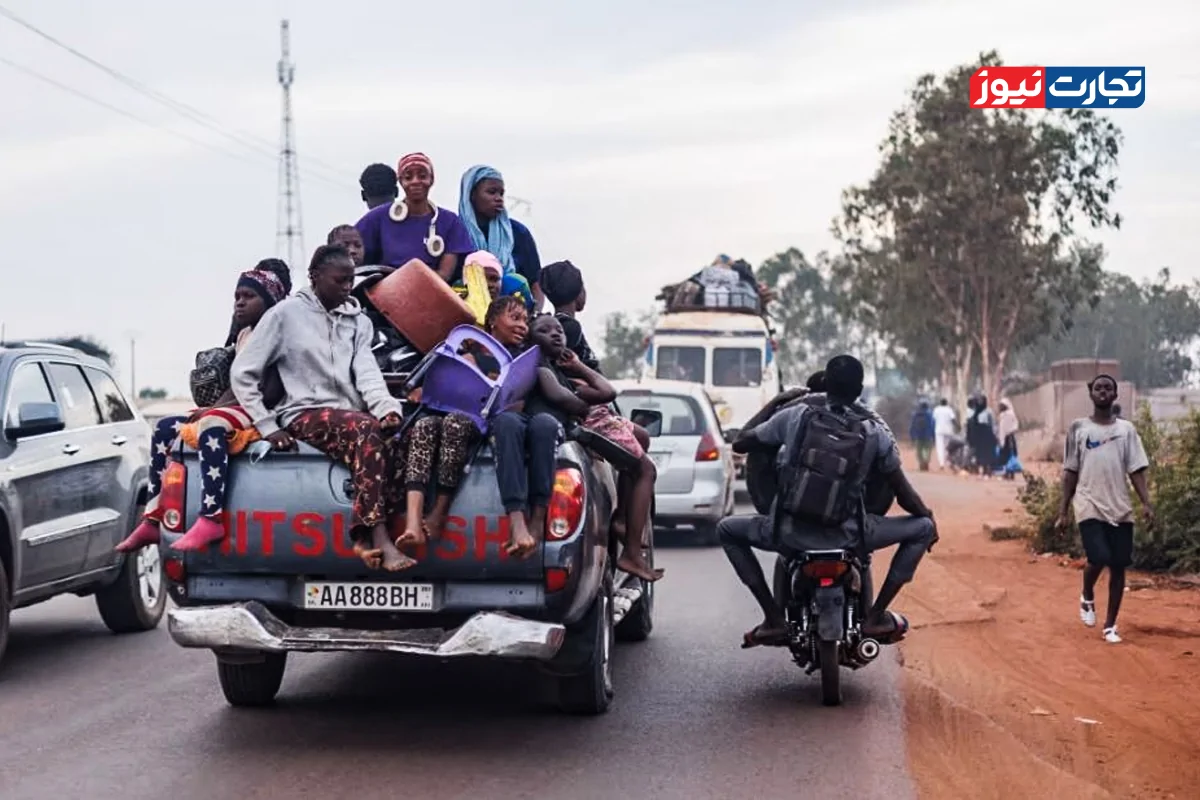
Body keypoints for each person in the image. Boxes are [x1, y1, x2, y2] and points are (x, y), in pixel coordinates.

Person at [721, 355, 937, 647]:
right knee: (921, 528)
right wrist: (928, 517)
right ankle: (875, 615)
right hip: (851, 536)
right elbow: (903, 494)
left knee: (727, 530)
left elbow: (742, 443)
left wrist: (776, 402)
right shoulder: (875, 431)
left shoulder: (793, 416)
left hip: (787, 533)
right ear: (859, 389)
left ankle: (773, 618)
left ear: (826, 385)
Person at [231, 244, 413, 572]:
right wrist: (267, 425)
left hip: (350, 414)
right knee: (365, 430)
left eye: (349, 281)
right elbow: (243, 372)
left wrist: (387, 408)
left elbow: (367, 373)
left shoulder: (358, 322)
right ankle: (379, 539)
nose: (347, 287)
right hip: (303, 412)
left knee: (399, 435)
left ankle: (363, 539)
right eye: (339, 280)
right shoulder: (285, 315)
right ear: (315, 278)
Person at [115, 268, 289, 553]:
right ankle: (152, 519)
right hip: (238, 408)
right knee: (165, 428)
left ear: (270, 301)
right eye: (237, 296)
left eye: (249, 296)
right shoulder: (245, 334)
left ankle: (211, 516)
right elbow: (235, 384)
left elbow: (270, 390)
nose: (239, 303)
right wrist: (211, 407)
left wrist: (215, 412)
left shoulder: (277, 334)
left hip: (263, 411)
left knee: (211, 426)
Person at [539, 261, 661, 581]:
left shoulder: (556, 324)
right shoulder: (568, 328)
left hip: (597, 410)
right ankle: (632, 554)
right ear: (581, 294)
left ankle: (622, 517)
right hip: (591, 413)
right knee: (646, 468)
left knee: (641, 438)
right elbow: (576, 377)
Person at [490, 315, 618, 561]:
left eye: (559, 330)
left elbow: (607, 391)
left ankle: (537, 522)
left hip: (545, 428)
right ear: (530, 338)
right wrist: (583, 408)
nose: (555, 334)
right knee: (507, 423)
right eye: (545, 330)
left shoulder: (561, 373)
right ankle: (517, 522)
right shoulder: (535, 363)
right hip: (526, 422)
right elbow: (558, 396)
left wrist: (579, 367)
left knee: (545, 425)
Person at [1055, 374, 1154, 644]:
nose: (1103, 391)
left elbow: (1136, 470)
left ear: (1115, 394)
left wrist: (1146, 502)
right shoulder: (1078, 428)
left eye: (1108, 388)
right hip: (1088, 503)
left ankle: (1110, 626)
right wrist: (1063, 511)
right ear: (1090, 392)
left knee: (1119, 566)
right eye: (1098, 387)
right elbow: (1070, 472)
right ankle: (1087, 593)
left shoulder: (1126, 430)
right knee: (1098, 556)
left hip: (1120, 507)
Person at [355, 152, 474, 280]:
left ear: (431, 180)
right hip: (384, 292)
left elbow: (444, 276)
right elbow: (347, 248)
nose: (415, 181)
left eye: (422, 176)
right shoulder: (378, 217)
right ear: (400, 182)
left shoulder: (450, 221)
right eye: (408, 177)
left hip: (432, 292)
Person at [458, 165, 543, 307]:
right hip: (466, 315)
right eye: (491, 192)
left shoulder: (517, 233)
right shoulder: (456, 231)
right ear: (471, 195)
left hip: (512, 312)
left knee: (512, 280)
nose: (499, 199)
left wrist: (535, 314)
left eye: (501, 193)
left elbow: (536, 282)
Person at [909, 400, 936, 471]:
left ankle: (921, 463)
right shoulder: (930, 414)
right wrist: (933, 436)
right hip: (928, 435)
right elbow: (933, 425)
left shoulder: (915, 415)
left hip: (918, 435)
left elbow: (912, 426)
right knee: (927, 450)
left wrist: (912, 436)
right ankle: (926, 462)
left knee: (919, 451)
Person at [932, 398, 957, 470]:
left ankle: (941, 464)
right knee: (948, 447)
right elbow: (953, 419)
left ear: (940, 403)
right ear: (946, 403)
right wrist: (957, 426)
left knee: (940, 447)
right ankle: (948, 462)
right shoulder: (949, 409)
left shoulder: (936, 409)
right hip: (948, 431)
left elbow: (934, 419)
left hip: (939, 430)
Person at [997, 399, 1020, 465]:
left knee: (1009, 452)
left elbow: (1014, 425)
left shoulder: (1008, 414)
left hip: (1008, 437)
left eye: (1002, 406)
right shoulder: (1004, 415)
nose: (1001, 407)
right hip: (1008, 436)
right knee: (1010, 452)